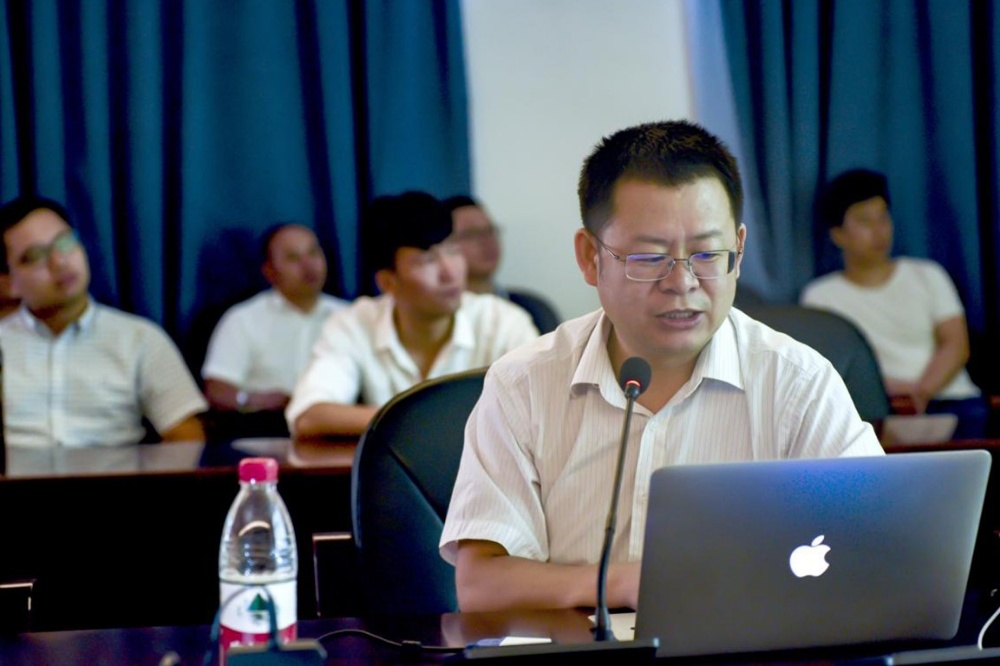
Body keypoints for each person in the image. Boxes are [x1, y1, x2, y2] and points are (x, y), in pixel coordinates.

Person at [439, 120, 884, 613]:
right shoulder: (523, 384)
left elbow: (876, 545)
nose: (683, 282)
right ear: (590, 257)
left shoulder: (798, 382)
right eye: (650, 258)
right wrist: (626, 584)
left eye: (707, 253)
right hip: (577, 649)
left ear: (738, 250)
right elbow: (480, 584)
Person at [286, 191, 539, 438]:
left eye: (453, 251)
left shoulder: (503, 323)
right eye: (427, 260)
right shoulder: (354, 324)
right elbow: (308, 415)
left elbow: (540, 409)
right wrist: (423, 422)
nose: (449, 273)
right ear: (388, 282)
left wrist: (401, 423)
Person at [0, 195, 207, 448]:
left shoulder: (140, 338)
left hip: (115, 472)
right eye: (35, 256)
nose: (59, 262)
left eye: (64, 242)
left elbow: (186, 435)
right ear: (9, 282)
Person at [800, 169, 986, 439]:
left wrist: (922, 392)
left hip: (953, 402)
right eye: (865, 221)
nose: (879, 231)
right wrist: (888, 393)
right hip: (877, 410)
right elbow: (831, 368)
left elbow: (956, 344)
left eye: (883, 218)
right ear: (838, 235)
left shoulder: (927, 275)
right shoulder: (820, 296)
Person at [201, 223, 349, 415]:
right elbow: (217, 391)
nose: (308, 266)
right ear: (269, 271)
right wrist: (254, 400)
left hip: (338, 424)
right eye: (293, 258)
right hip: (264, 425)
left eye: (313, 253)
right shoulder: (243, 319)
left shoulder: (349, 316)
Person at [443, 195, 561, 334]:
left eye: (490, 230)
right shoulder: (438, 319)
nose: (487, 241)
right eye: (471, 234)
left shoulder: (536, 310)